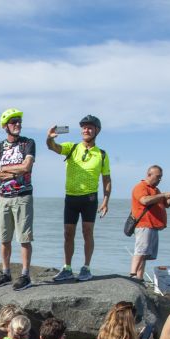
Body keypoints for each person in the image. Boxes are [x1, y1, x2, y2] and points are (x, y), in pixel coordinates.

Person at [46, 115, 112, 282]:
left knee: (87, 232)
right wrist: (49, 138)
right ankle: (67, 268)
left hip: (89, 198)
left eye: (90, 127)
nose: (86, 130)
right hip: (71, 198)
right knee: (68, 233)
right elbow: (53, 147)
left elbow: (107, 179)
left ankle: (86, 267)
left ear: (97, 130)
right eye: (83, 127)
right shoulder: (72, 147)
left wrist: (105, 201)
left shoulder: (102, 154)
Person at [0, 108, 35, 291]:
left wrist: (4, 172)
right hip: (3, 198)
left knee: (24, 238)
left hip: (22, 197)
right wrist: (15, 170)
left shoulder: (28, 143)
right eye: (14, 122)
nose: (18, 125)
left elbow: (27, 167)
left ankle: (25, 274)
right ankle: (6, 273)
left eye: (19, 122)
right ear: (5, 125)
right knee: (4, 239)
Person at [129, 165, 170, 280]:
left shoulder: (155, 190)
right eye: (158, 177)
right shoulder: (140, 187)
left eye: (161, 177)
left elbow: (166, 205)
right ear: (149, 175)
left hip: (153, 226)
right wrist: (163, 195)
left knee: (145, 254)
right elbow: (144, 200)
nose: (160, 180)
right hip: (144, 224)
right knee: (140, 251)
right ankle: (132, 275)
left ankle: (139, 278)